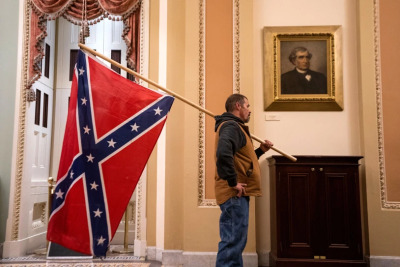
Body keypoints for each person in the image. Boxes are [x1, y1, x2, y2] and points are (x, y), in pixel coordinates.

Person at [214, 94, 273, 267]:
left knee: (235, 242)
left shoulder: (235, 127)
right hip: (234, 193)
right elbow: (223, 155)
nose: (250, 110)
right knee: (233, 242)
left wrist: (261, 151)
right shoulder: (231, 126)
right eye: (248, 105)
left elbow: (244, 161)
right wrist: (233, 183)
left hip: (237, 193)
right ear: (238, 106)